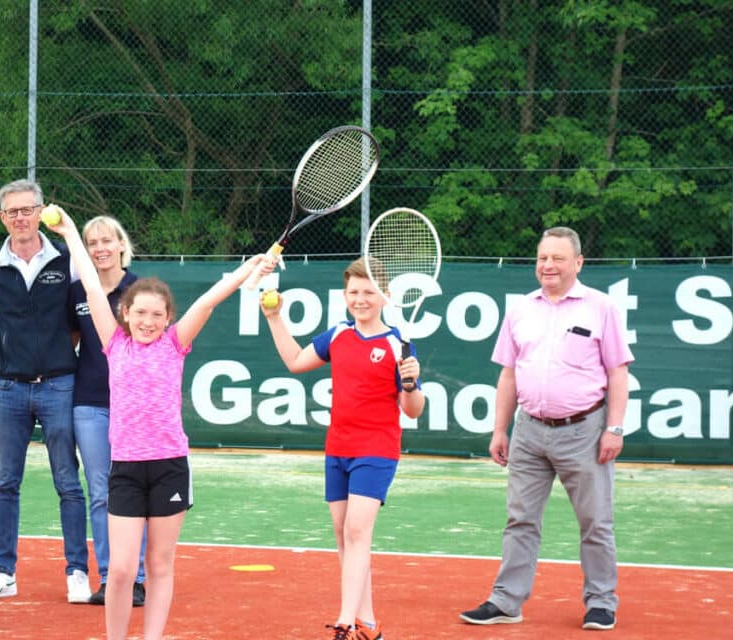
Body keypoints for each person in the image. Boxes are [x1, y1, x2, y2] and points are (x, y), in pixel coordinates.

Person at [46, 210, 266, 640]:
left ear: (167, 319)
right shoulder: (113, 343)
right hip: (126, 469)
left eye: (156, 315)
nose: (147, 322)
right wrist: (70, 231)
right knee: (123, 568)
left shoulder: (175, 344)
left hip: (169, 466)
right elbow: (92, 284)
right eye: (140, 313)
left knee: (161, 564)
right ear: (124, 313)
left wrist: (249, 268)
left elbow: (210, 299)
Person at [459, 226, 633, 632]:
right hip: (528, 433)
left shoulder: (601, 307)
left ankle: (601, 603)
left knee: (595, 522)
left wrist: (615, 428)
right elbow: (508, 375)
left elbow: (618, 372)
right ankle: (506, 602)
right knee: (519, 520)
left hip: (585, 433)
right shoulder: (521, 308)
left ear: (578, 263)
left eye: (557, 258)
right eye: (542, 258)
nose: (548, 265)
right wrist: (499, 430)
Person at [260, 256, 425, 640]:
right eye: (354, 291)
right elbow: (295, 361)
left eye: (369, 291)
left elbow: (412, 411)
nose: (361, 299)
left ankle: (346, 622)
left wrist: (412, 384)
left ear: (385, 296)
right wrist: (274, 318)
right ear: (345, 295)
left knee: (356, 530)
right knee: (343, 534)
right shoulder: (337, 335)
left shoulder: (397, 343)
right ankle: (367, 623)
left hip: (378, 449)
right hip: (338, 447)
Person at [0, 179, 91, 604]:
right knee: (6, 482)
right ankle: (3, 571)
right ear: (2, 217)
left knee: (68, 482)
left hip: (60, 384)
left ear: (41, 211)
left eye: (28, 209)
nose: (20, 217)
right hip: (10, 389)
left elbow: (78, 321)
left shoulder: (67, 259)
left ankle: (77, 571)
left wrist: (58, 355)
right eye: (12, 211)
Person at [68, 216, 146, 607]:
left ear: (120, 244)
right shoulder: (76, 291)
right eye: (90, 242)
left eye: (105, 241)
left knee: (132, 490)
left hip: (132, 407)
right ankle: (111, 577)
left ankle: (138, 578)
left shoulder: (141, 290)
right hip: (89, 403)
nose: (99, 248)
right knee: (100, 492)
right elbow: (72, 340)